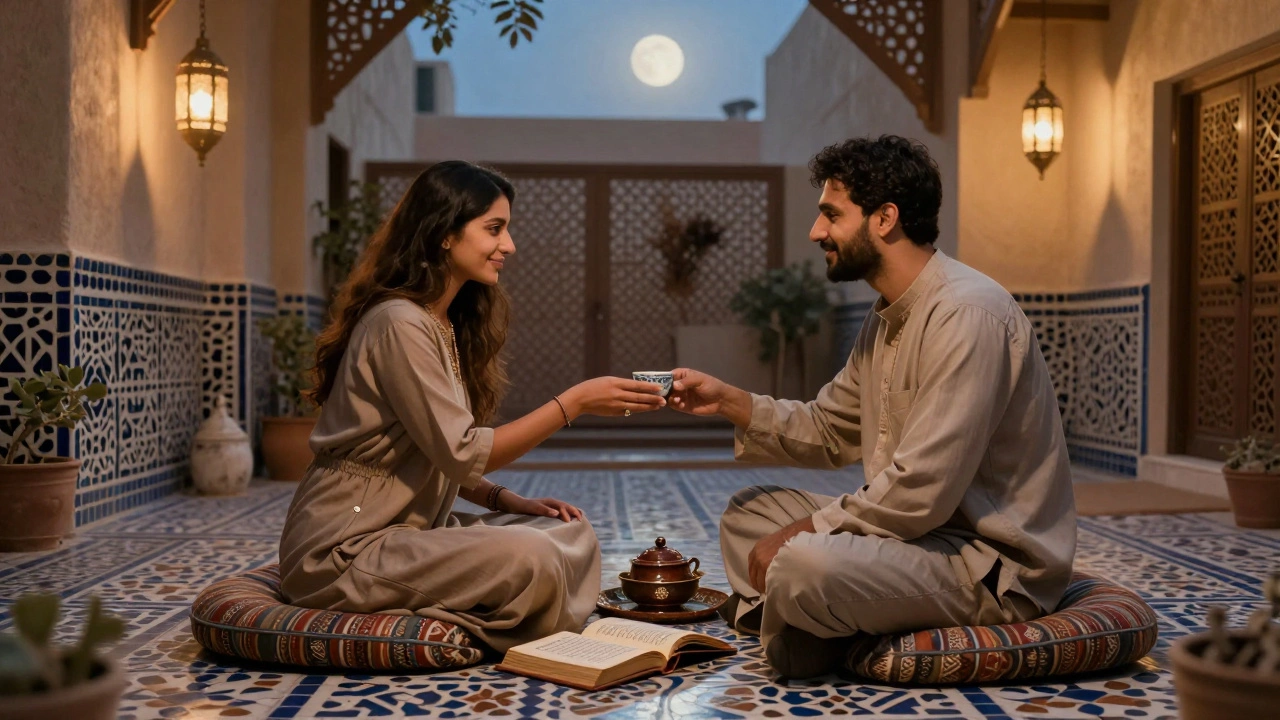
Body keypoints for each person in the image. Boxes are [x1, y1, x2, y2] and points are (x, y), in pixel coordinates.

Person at [668, 136, 1076, 679]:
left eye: (830, 215)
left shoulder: (966, 314)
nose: (817, 233)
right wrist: (731, 402)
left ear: (885, 219)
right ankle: (826, 621)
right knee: (750, 514)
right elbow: (829, 429)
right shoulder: (884, 320)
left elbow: (920, 490)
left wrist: (803, 532)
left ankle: (810, 635)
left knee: (803, 560)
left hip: (986, 564)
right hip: (918, 541)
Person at [278, 161, 666, 653]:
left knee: (570, 534)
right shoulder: (399, 323)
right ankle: (492, 628)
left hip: (411, 532)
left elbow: (436, 449)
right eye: (494, 228)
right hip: (343, 547)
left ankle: (485, 607)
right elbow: (461, 451)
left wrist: (507, 501)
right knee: (533, 558)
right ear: (444, 233)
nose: (509, 245)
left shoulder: (439, 322)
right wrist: (575, 403)